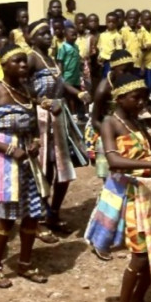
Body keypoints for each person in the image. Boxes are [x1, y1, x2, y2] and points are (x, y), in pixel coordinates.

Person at [84, 73, 151, 302]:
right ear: (120, 98)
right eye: (136, 98)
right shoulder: (109, 124)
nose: (141, 102)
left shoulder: (136, 123)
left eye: (143, 98)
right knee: (139, 255)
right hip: (131, 194)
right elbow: (114, 161)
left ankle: (138, 301)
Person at [0, 44, 48, 288]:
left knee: (32, 214)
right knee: (6, 218)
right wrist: (8, 149)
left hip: (27, 158)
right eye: (17, 61)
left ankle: (25, 264)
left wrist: (35, 141)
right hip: (6, 160)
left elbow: (34, 123)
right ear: (3, 65)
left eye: (25, 61)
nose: (23, 65)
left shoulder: (26, 89)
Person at [26, 21, 90, 242]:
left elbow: (60, 84)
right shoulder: (31, 58)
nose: (48, 37)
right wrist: (41, 102)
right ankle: (40, 219)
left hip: (59, 117)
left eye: (49, 33)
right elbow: (22, 88)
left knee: (64, 168)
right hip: (41, 120)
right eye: (42, 34)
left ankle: (53, 212)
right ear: (32, 38)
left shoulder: (52, 59)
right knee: (45, 169)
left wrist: (78, 94)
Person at [87, 50, 136, 197]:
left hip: (124, 130)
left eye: (130, 69)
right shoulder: (104, 88)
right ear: (113, 69)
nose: (127, 73)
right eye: (124, 70)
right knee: (111, 175)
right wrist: (110, 136)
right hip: (105, 131)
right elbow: (95, 119)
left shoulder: (128, 83)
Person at [56, 24, 85, 121]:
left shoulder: (76, 46)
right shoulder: (63, 47)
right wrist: (60, 74)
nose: (74, 36)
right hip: (67, 75)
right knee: (70, 96)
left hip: (75, 75)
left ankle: (80, 114)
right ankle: (73, 114)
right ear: (66, 35)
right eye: (72, 34)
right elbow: (60, 61)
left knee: (78, 94)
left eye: (76, 35)